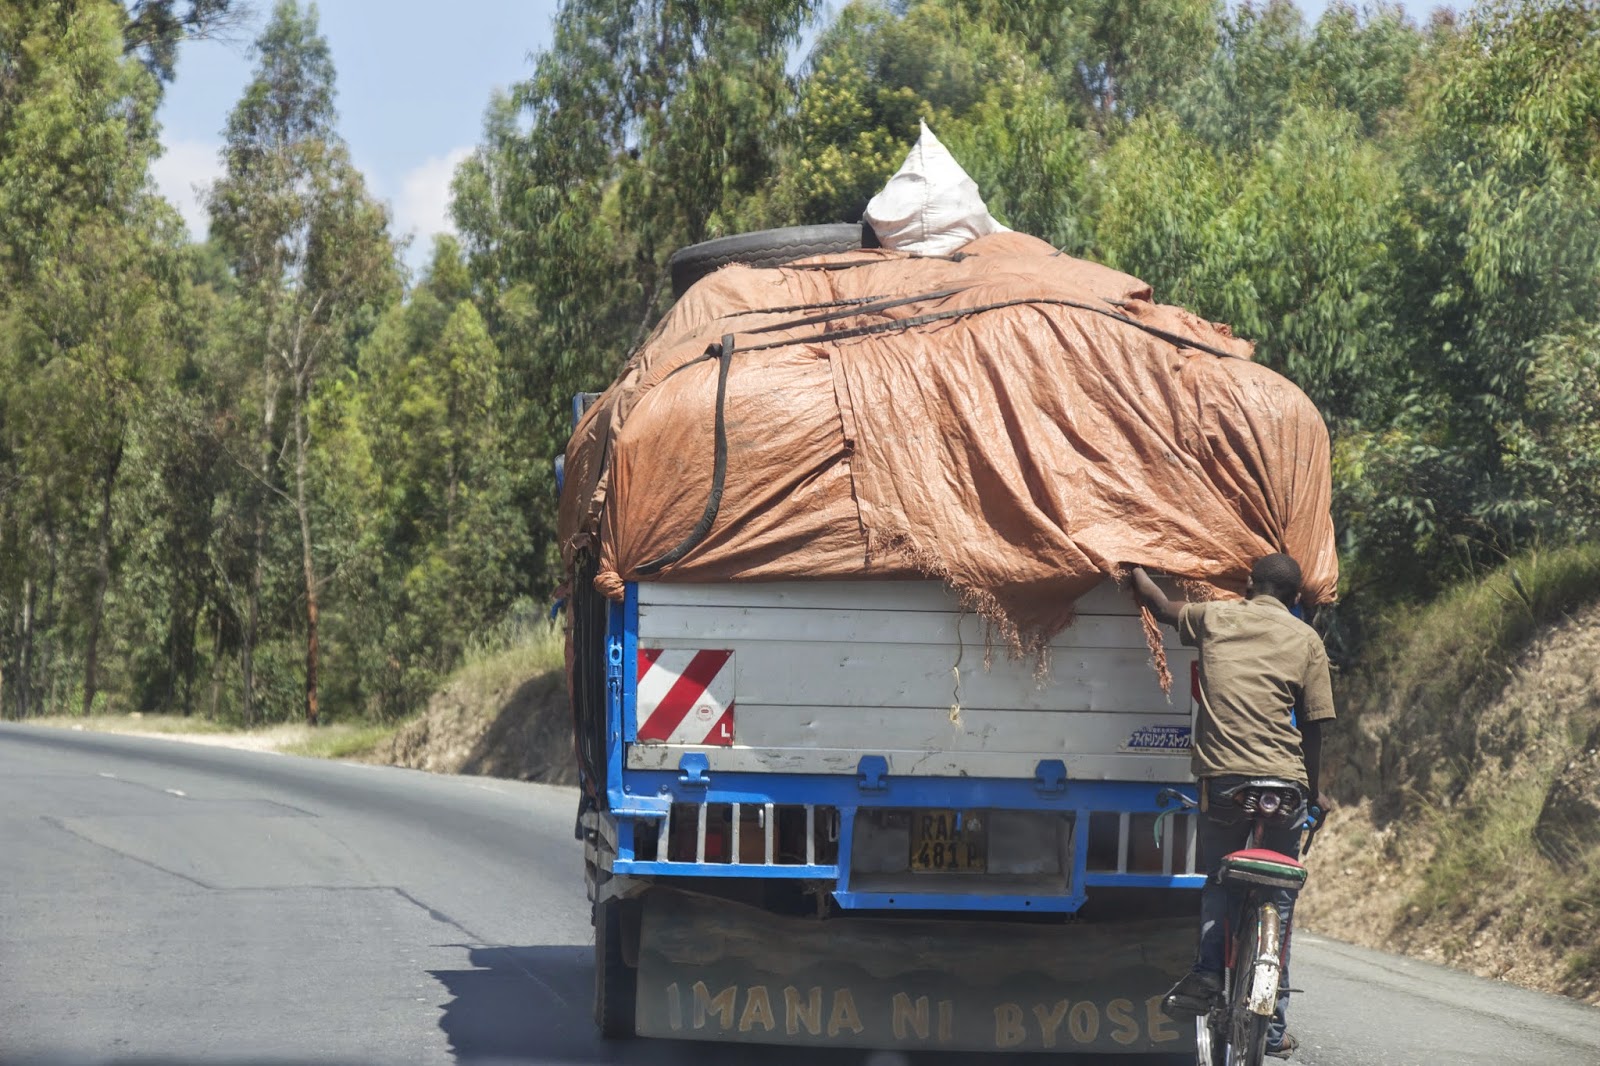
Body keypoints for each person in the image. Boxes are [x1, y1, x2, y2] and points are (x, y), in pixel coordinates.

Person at [1128, 553, 1335, 1060]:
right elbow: (1314, 726)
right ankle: (1274, 1026)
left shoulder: (1216, 616)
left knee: (1222, 878)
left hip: (1224, 782)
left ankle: (1205, 974)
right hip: (1285, 785)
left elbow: (1158, 603)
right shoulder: (1307, 640)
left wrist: (1129, 566)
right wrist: (1314, 791)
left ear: (1249, 585)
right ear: (1295, 599)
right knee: (1279, 898)